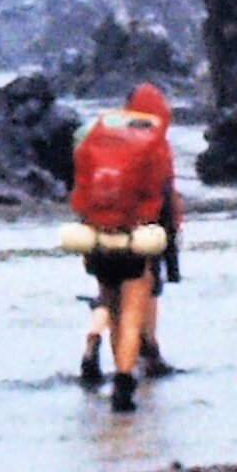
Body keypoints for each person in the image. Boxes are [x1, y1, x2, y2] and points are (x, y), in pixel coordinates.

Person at [68, 85, 178, 414]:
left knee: (111, 308)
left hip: (97, 238)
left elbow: (79, 188)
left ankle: (108, 358)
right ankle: (123, 382)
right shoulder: (153, 143)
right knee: (132, 313)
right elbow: (162, 194)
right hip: (135, 238)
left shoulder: (98, 133)